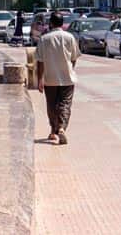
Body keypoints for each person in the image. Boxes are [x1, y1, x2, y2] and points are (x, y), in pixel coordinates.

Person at [35, 11, 81, 144]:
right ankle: (61, 128)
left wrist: (40, 79)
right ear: (62, 24)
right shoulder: (69, 37)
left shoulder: (44, 39)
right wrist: (70, 69)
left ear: (51, 23)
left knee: (52, 105)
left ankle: (54, 131)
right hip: (67, 78)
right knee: (65, 104)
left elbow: (40, 61)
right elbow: (74, 58)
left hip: (50, 79)